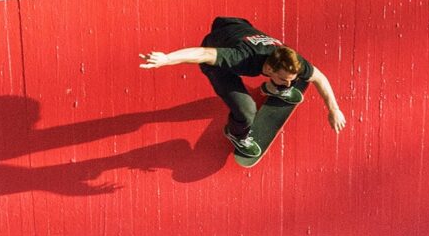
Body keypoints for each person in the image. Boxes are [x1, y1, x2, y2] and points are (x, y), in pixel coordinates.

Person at [139, 14, 347, 166]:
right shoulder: (241, 57)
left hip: (235, 25)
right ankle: (236, 134)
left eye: (290, 80)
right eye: (283, 79)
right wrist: (167, 59)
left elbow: (319, 78)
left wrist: (333, 109)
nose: (289, 83)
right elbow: (202, 53)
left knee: (291, 80)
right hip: (218, 61)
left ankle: (272, 87)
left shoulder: (290, 60)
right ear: (268, 68)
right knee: (246, 109)